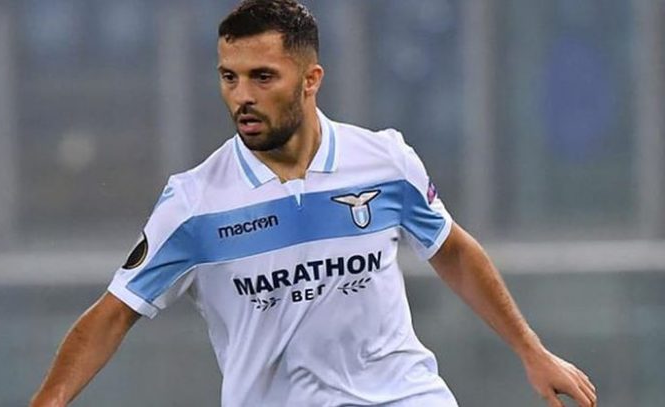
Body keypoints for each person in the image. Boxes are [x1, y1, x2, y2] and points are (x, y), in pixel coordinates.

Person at [31, 1, 597, 406]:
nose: (242, 96)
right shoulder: (194, 202)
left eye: (262, 77)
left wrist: (532, 351)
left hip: (404, 395)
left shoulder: (385, 161)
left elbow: (450, 249)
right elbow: (113, 313)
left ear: (310, 80)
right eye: (229, 77)